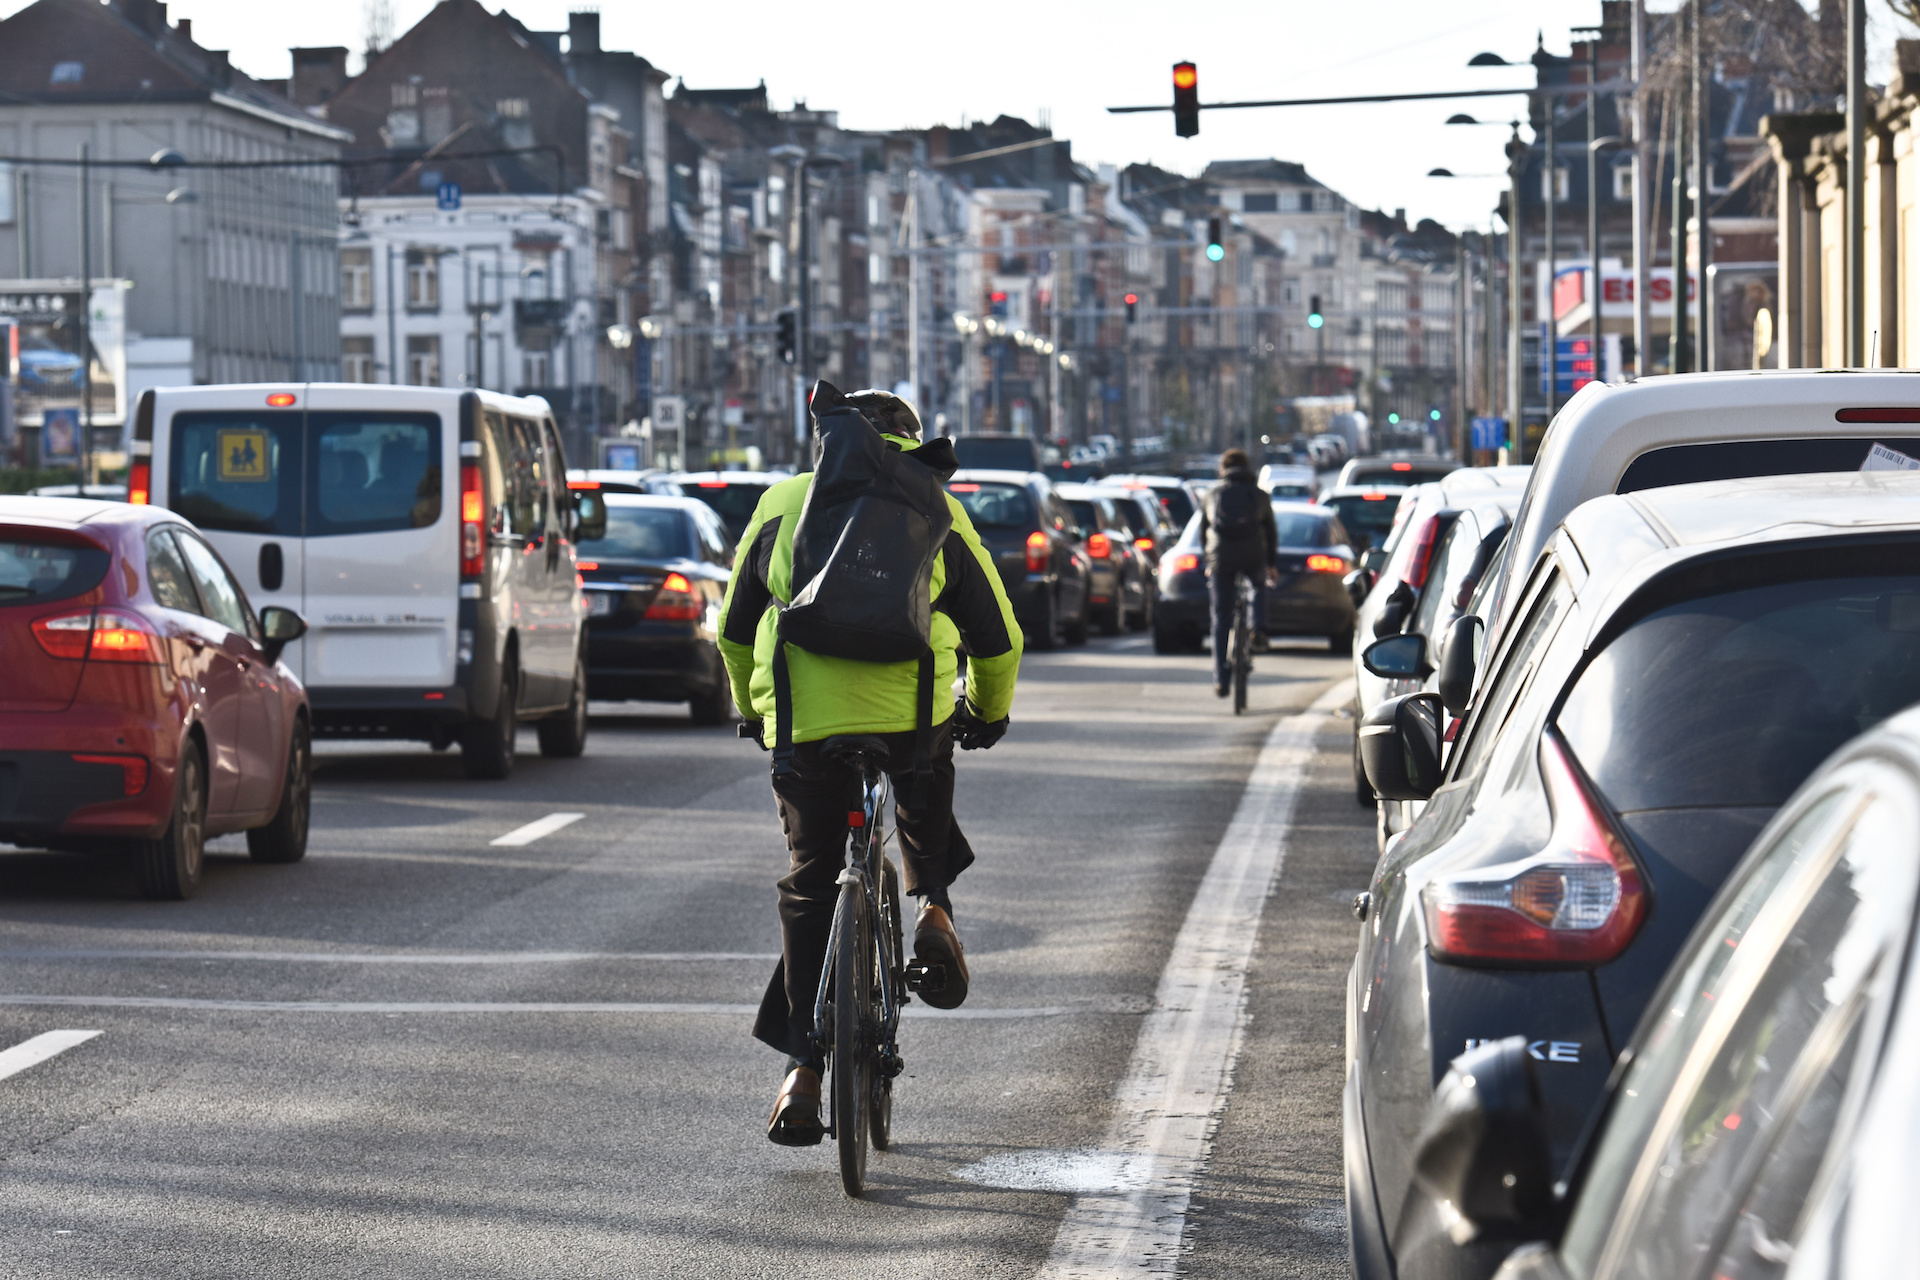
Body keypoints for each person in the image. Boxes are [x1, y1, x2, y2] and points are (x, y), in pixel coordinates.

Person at [717, 385, 1023, 1148]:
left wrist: (754, 712)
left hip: (807, 726)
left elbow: (732, 628)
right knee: (923, 776)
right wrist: (987, 711)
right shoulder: (936, 507)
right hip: (909, 715)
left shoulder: (785, 502)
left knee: (814, 881)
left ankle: (802, 1073)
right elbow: (998, 637)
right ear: (908, 445)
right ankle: (935, 908)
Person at [1198, 447, 1278, 696]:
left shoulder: (1212, 495)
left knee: (1221, 616)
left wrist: (1208, 563)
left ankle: (1221, 679)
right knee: (1258, 584)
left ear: (1223, 469)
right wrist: (1271, 565)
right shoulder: (1260, 495)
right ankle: (1258, 629)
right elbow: (1271, 533)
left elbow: (1203, 532)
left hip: (1221, 557)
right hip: (1253, 554)